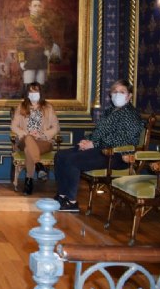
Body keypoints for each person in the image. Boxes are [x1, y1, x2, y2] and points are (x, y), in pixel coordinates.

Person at [53, 79, 143, 212]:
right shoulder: (110, 111)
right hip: (99, 149)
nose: (117, 94)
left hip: (116, 155)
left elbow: (122, 139)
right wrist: (86, 141)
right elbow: (98, 132)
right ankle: (62, 195)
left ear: (129, 96)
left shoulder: (131, 115)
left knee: (73, 160)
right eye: (115, 91)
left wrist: (94, 144)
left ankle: (71, 202)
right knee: (60, 155)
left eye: (122, 92)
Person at [11, 82, 60, 196]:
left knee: (29, 150)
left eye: (36, 91)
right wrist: (26, 133)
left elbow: (56, 127)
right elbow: (14, 126)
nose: (33, 94)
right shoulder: (22, 107)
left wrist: (41, 134)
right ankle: (38, 165)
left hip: (43, 141)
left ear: (40, 93)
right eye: (31, 92)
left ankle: (29, 181)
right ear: (27, 94)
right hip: (25, 140)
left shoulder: (48, 107)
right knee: (29, 139)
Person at [14, 0, 60, 92]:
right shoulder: (22, 22)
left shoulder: (45, 22)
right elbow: (19, 43)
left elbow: (49, 40)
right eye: (35, 6)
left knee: (40, 87)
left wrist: (48, 50)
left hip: (42, 57)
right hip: (29, 57)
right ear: (30, 7)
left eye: (39, 6)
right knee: (29, 86)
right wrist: (21, 60)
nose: (37, 8)